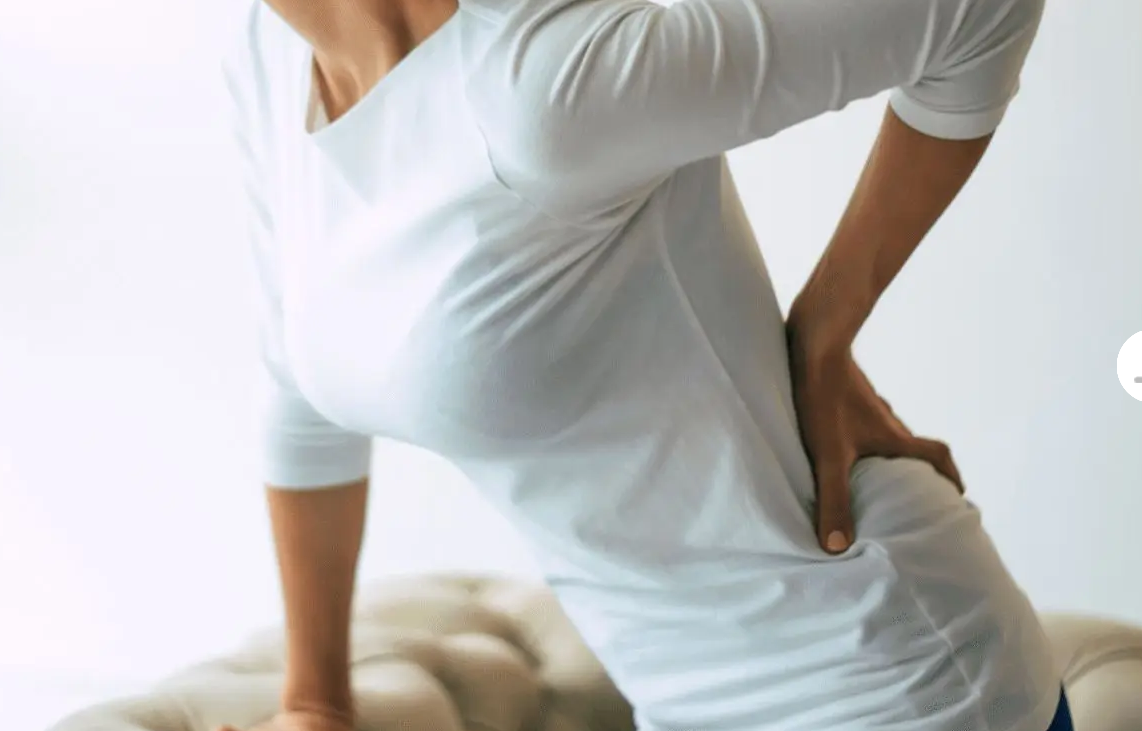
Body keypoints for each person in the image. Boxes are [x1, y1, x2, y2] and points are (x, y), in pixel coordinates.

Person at [214, 0, 1067, 727]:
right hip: (672, 696)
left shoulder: (537, 86)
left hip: (881, 679)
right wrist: (314, 701)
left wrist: (826, 327)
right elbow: (297, 392)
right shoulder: (271, 51)